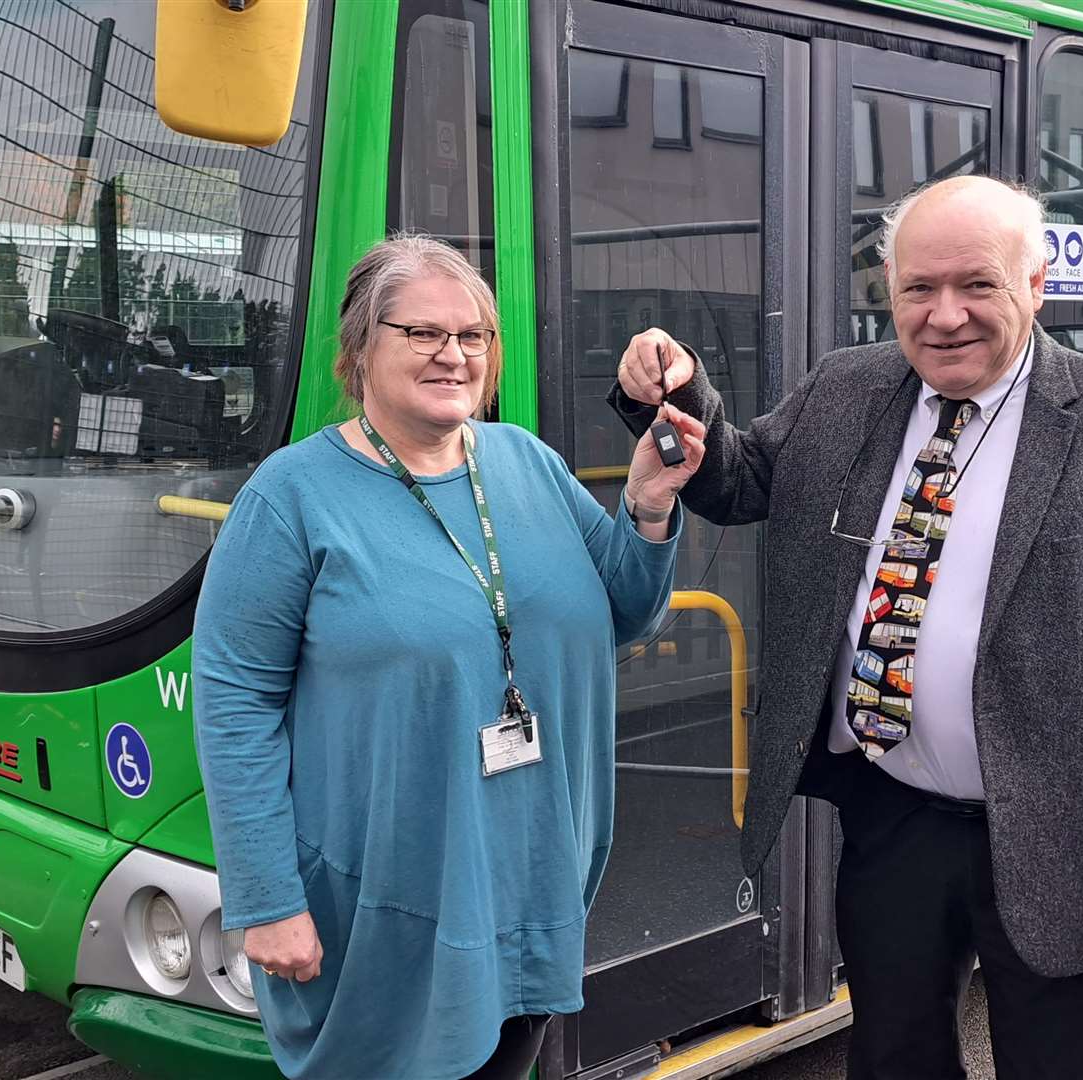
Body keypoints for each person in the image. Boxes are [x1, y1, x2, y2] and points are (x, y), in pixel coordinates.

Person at [608, 176, 1083, 1079]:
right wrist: (675, 391)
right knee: (893, 1056)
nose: (944, 317)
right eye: (917, 288)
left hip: (1065, 837)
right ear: (889, 291)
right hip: (893, 816)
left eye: (977, 285)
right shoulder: (846, 387)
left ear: (1035, 285)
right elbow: (740, 479)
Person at [192, 234, 705, 1080]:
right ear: (360, 347)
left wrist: (646, 506)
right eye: (422, 333)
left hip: (533, 870)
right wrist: (266, 899)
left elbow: (624, 611)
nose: (453, 355)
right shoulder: (288, 499)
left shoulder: (524, 461)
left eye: (473, 336)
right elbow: (232, 704)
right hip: (389, 893)